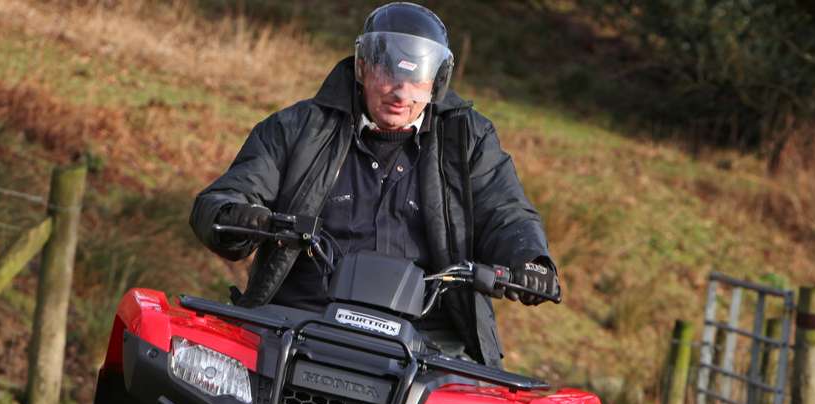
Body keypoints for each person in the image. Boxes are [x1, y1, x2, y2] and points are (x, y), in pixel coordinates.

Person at [189, 2, 560, 368]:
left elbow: (505, 212)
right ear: (363, 68)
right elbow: (229, 194)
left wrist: (529, 258)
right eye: (390, 75)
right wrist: (239, 216)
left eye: (416, 80)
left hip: (429, 340)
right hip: (298, 319)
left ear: (436, 82)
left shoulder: (470, 140)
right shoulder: (298, 127)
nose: (401, 93)